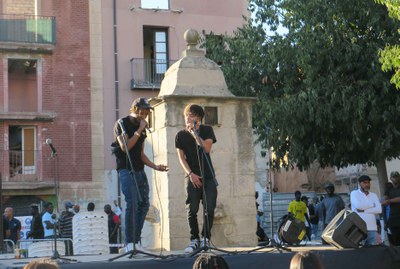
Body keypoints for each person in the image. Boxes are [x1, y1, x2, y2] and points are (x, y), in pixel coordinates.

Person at [113, 97, 168, 251]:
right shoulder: (121, 124)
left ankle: (136, 242)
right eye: (143, 111)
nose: (145, 114)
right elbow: (126, 147)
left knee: (143, 204)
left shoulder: (142, 128)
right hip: (126, 169)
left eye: (147, 111)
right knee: (132, 203)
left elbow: (141, 154)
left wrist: (155, 166)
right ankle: (129, 243)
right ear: (135, 109)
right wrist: (138, 130)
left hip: (139, 170)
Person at [175, 104, 218, 253]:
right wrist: (190, 174)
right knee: (192, 209)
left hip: (208, 176)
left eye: (191, 115)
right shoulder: (180, 135)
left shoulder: (207, 130)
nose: (188, 117)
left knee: (210, 208)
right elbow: (181, 158)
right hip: (192, 176)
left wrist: (195, 134)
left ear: (198, 118)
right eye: (187, 115)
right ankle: (194, 240)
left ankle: (206, 238)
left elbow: (206, 149)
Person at [350, 175, 382, 246]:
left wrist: (364, 210)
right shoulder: (354, 193)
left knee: (372, 252)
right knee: (360, 252)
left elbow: (379, 210)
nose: (367, 184)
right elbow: (359, 206)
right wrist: (372, 205)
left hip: (372, 229)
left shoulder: (374, 195)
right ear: (359, 184)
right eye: (364, 183)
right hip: (359, 228)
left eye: (368, 183)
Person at [381, 171, 400, 246]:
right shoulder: (389, 189)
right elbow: (383, 201)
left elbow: (387, 201)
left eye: (396, 176)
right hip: (393, 219)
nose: (395, 178)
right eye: (393, 177)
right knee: (395, 242)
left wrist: (390, 201)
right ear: (390, 178)